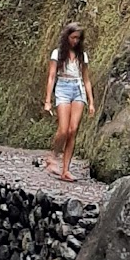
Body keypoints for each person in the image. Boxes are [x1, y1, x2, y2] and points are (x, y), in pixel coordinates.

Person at [44, 22, 94, 181]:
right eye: (73, 37)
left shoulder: (82, 56)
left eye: (78, 38)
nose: (75, 41)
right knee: (63, 130)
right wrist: (47, 100)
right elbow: (52, 76)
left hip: (78, 89)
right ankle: (53, 156)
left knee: (73, 130)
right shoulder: (57, 54)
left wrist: (91, 101)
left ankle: (66, 169)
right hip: (63, 88)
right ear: (66, 37)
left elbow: (86, 79)